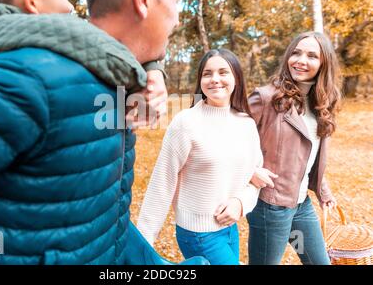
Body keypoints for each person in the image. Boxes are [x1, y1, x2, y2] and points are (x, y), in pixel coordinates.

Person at [0, 0, 186, 265]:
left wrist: (153, 71)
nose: (177, 18)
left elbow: (95, 218)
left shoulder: (112, 74)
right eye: (176, 1)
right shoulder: (30, 81)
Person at [137, 49, 272, 265]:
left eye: (223, 72)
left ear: (236, 78)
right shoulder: (186, 123)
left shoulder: (246, 123)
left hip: (230, 230)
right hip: (198, 234)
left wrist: (240, 202)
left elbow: (255, 176)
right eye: (207, 73)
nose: (215, 79)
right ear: (200, 80)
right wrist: (142, 243)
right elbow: (162, 182)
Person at [247, 31, 341, 265]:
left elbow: (304, 157)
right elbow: (228, 138)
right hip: (271, 207)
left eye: (311, 55)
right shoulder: (266, 98)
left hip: (301, 206)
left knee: (318, 262)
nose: (301, 60)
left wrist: (323, 190)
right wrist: (249, 170)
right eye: (296, 53)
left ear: (323, 64)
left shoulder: (320, 104)